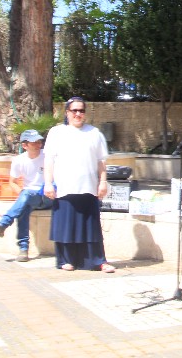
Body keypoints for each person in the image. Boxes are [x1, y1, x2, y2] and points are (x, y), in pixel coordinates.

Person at [42, 97, 116, 273]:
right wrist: (48, 183)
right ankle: (65, 260)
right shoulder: (56, 132)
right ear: (67, 112)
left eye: (81, 111)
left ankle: (98, 261)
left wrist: (103, 182)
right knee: (65, 226)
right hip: (65, 188)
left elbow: (101, 161)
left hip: (88, 188)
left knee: (91, 228)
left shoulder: (94, 133)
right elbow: (49, 160)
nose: (77, 114)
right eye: (74, 110)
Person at [0, 129, 54, 262]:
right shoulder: (19, 160)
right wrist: (22, 194)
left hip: (47, 196)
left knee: (25, 198)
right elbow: (12, 182)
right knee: (23, 207)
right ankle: (23, 250)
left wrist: (26, 195)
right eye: (33, 142)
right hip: (29, 197)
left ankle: (4, 224)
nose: (38, 144)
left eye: (39, 141)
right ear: (25, 146)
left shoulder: (48, 157)